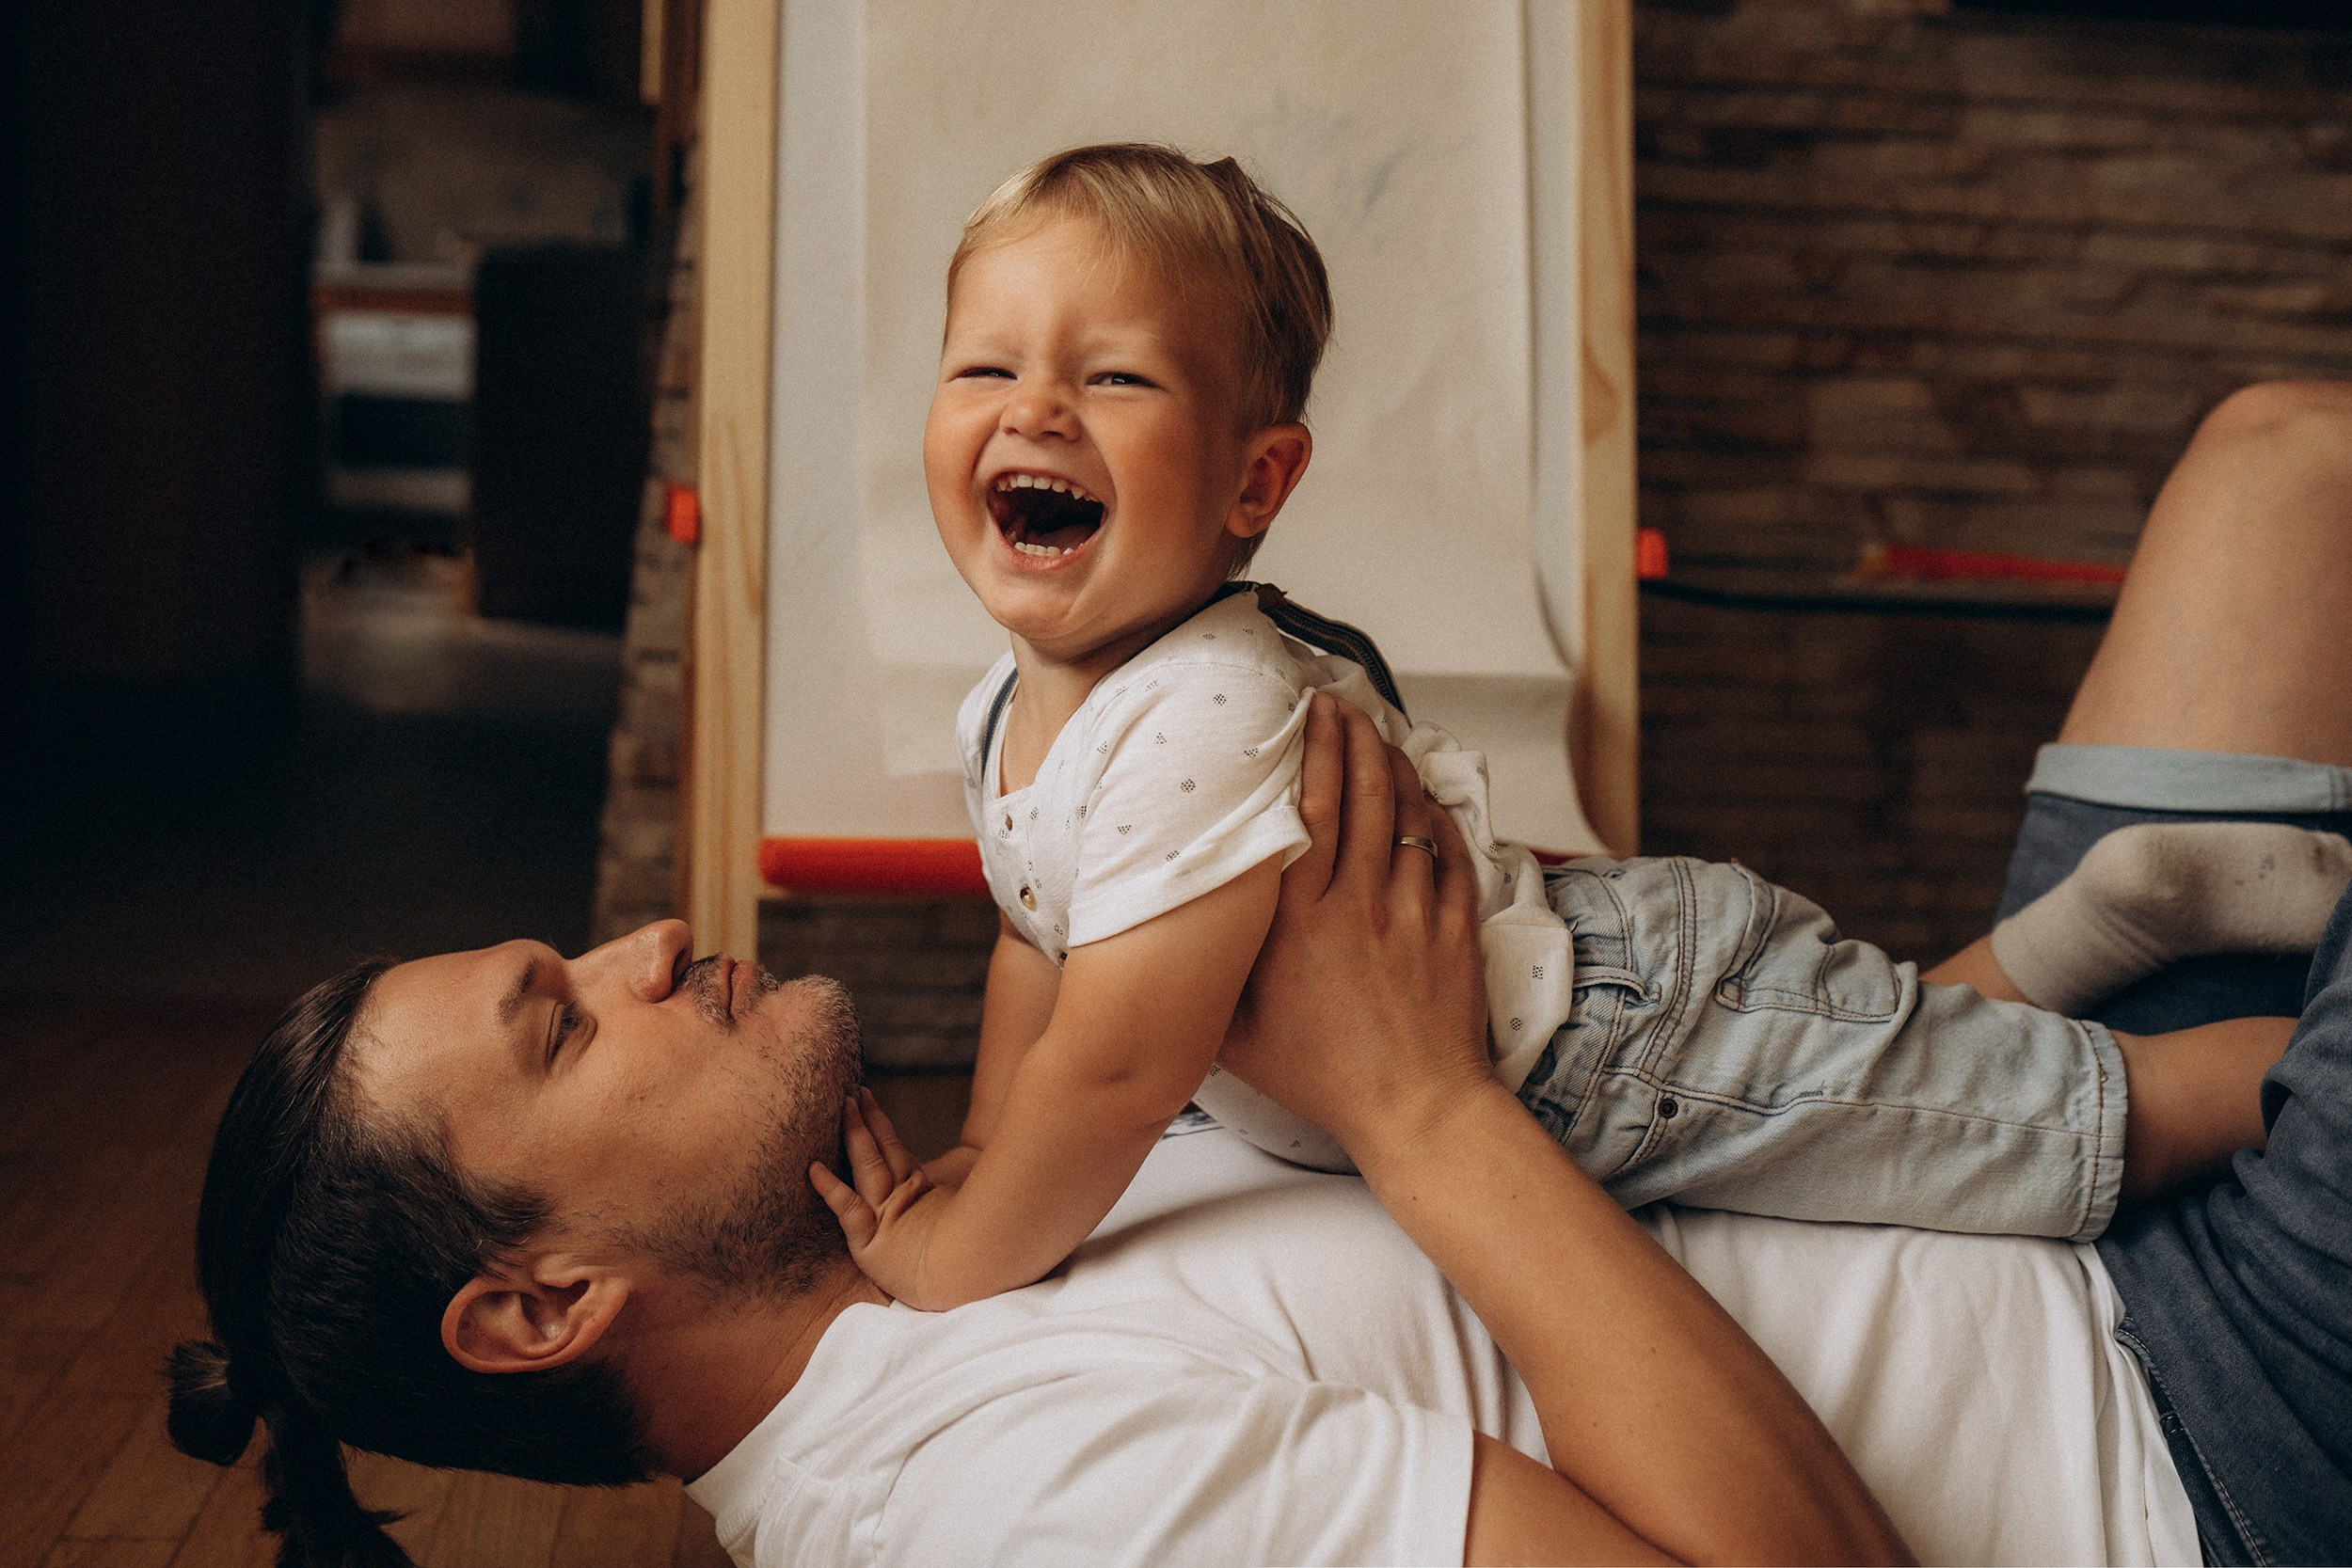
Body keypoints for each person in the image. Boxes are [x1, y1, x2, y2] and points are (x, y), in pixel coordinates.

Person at [164, 380, 2352, 1567]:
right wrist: (1420, 1111)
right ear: (539, 1305)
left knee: (2287, 470)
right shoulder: (988, 1515)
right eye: (566, 1015)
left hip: (2044, 1171)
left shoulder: (940, 1254)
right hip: (2199, 1440)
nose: (647, 941)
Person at [832, 140, 2339, 1311]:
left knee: (2022, 1133)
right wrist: (971, 1153)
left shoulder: (1201, 716)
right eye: (985, 365)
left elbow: (1112, 1073)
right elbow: (1039, 940)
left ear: (1254, 484)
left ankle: (2278, 1067)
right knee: (1917, 1065)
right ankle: (2119, 916)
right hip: (1566, 985)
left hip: (1617, 1044)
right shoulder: (1008, 713)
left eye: (1113, 376)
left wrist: (963, 1252)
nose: (1034, 409)